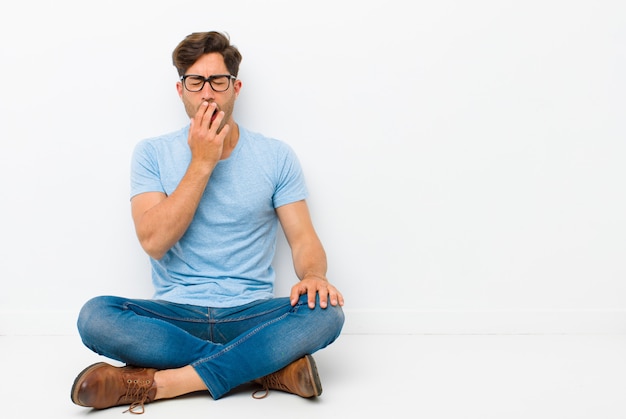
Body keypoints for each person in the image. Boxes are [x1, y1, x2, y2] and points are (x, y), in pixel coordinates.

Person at [70, 31, 345, 414]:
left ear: (236, 87)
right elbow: (153, 241)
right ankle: (263, 369)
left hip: (249, 312)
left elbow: (303, 239)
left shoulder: (276, 156)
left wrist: (314, 275)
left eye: (218, 81)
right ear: (180, 90)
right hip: (175, 316)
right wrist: (202, 162)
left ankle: (163, 384)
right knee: (94, 317)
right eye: (195, 82)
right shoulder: (151, 153)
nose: (208, 93)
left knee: (327, 313)